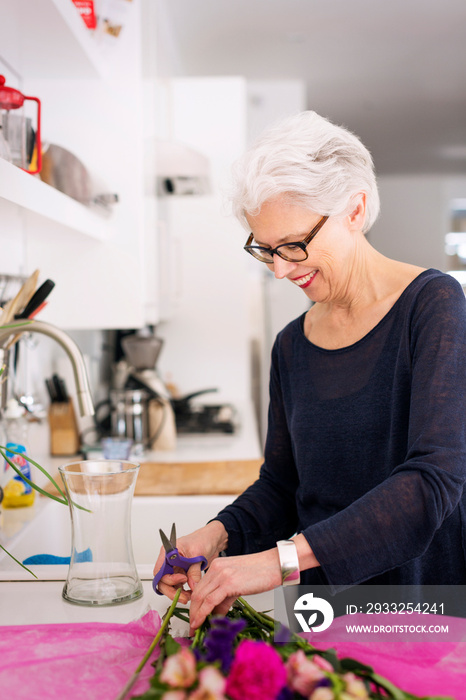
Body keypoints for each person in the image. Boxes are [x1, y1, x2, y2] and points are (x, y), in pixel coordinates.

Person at [153, 111, 466, 632]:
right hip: (320, 607)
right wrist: (218, 534)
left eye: (293, 244)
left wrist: (276, 563)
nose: (280, 269)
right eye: (265, 250)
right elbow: (282, 486)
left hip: (421, 602)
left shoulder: (434, 306)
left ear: (355, 210)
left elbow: (431, 484)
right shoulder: (291, 347)